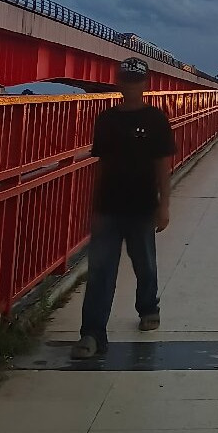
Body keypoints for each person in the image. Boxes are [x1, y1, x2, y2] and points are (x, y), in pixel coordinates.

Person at [72, 57, 176, 359]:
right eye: (127, 80)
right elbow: (102, 165)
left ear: (145, 84)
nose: (131, 86)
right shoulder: (106, 120)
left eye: (136, 80)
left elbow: (162, 166)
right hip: (108, 206)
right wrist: (92, 206)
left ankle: (148, 309)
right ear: (120, 83)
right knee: (100, 270)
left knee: (144, 263)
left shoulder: (156, 120)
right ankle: (91, 334)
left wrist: (164, 205)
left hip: (143, 206)